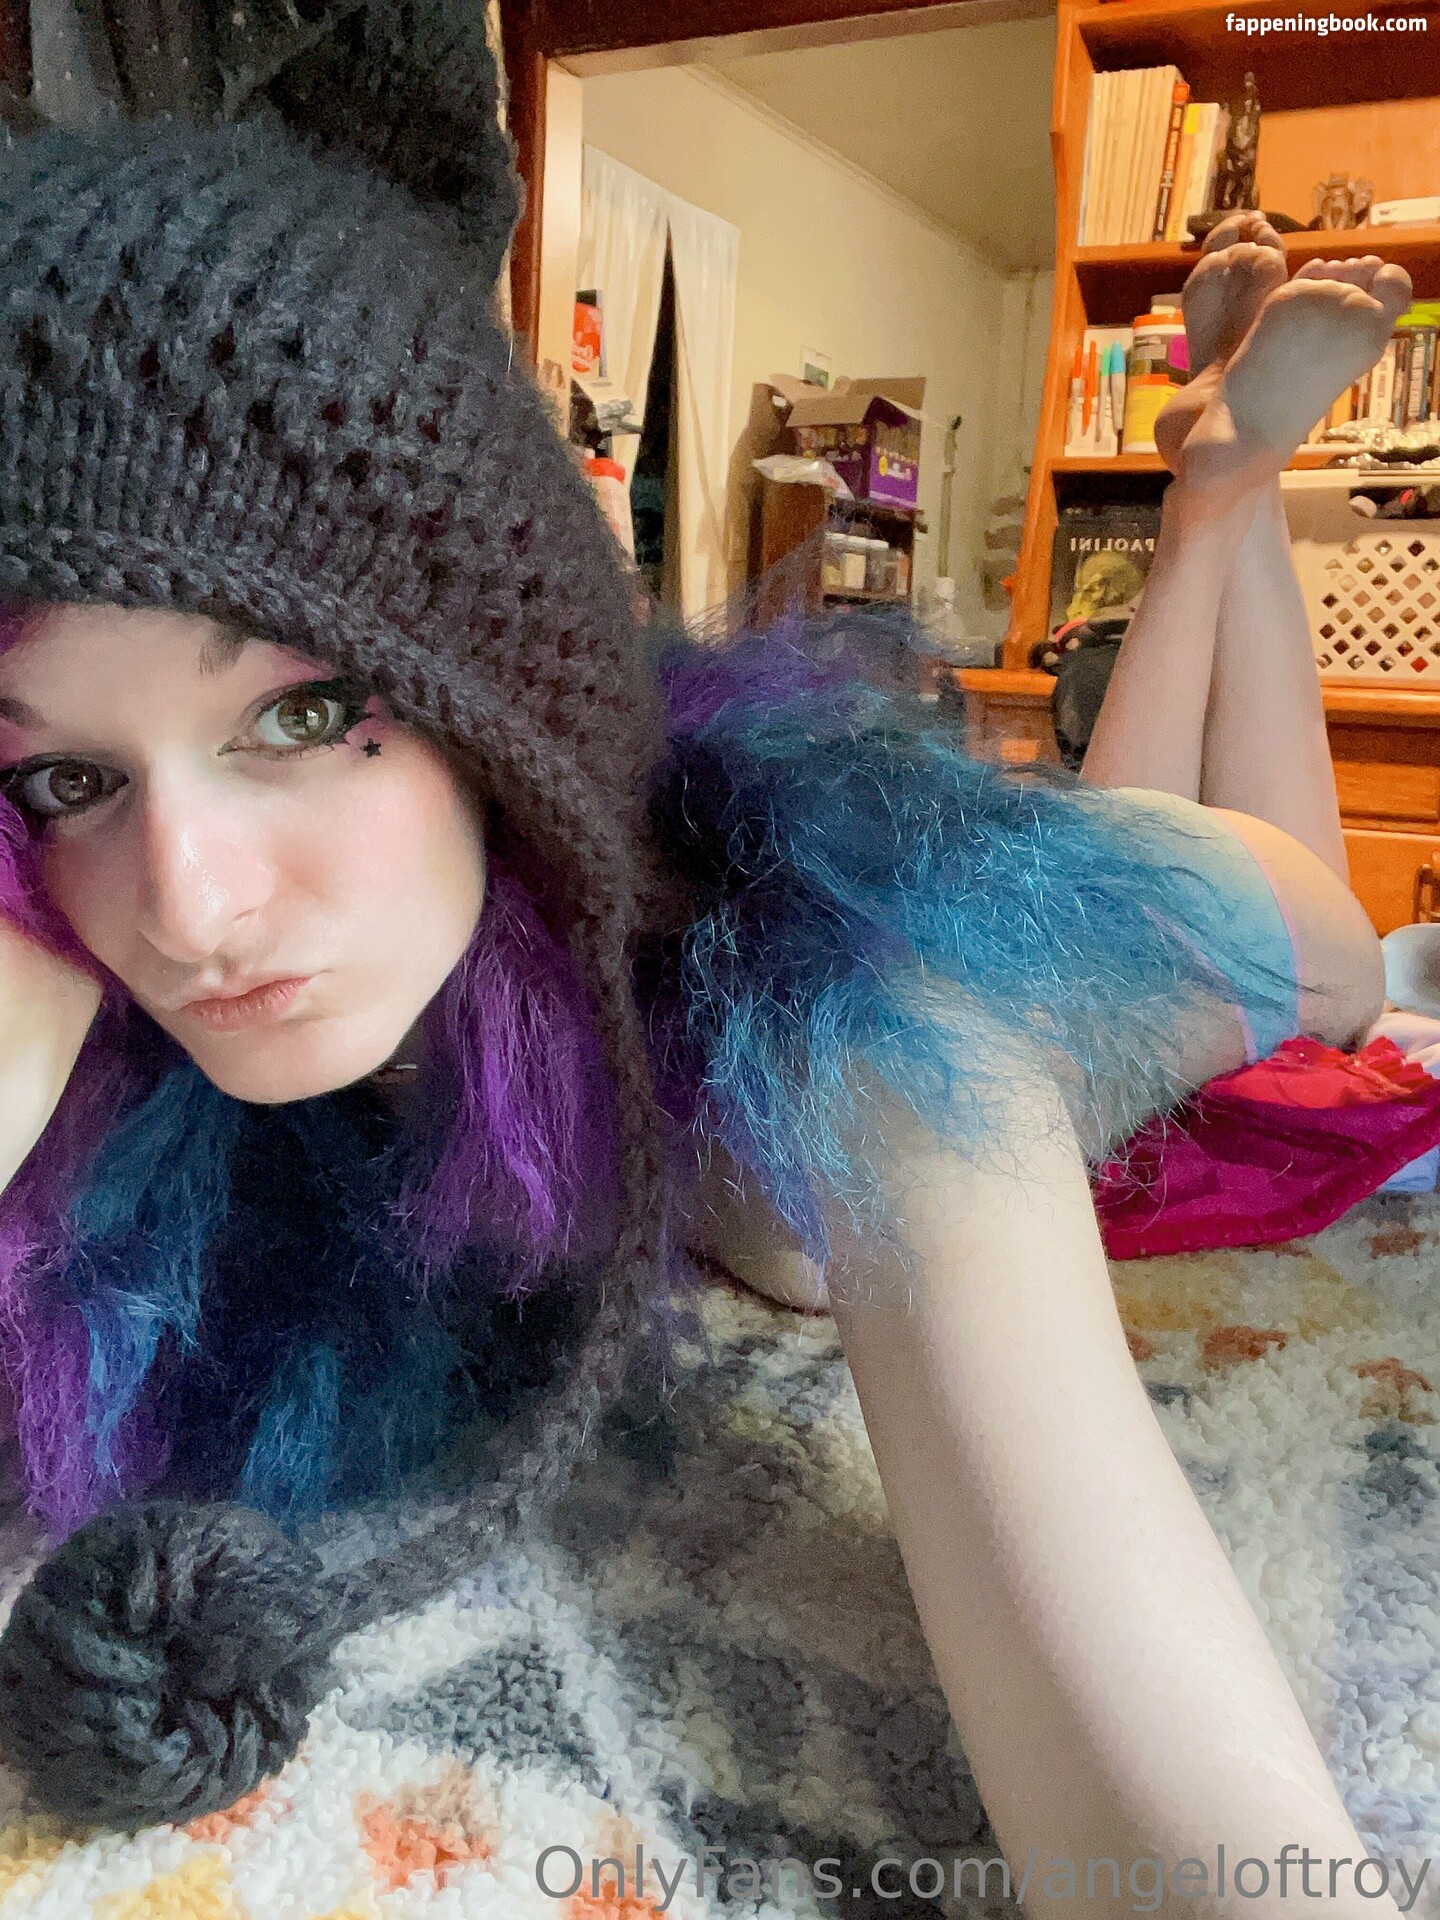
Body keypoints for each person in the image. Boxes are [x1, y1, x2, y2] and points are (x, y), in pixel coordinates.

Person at [0, 62, 1417, 1915]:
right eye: (65, 775)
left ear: (494, 693)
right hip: (1009, 886)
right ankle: (1215, 478)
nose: (185, 909)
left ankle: (1224, 497)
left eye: (304, 709)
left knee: (1263, 889)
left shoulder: (866, 1039)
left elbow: (1205, 1860)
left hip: (1208, 918)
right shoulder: (173, 982)